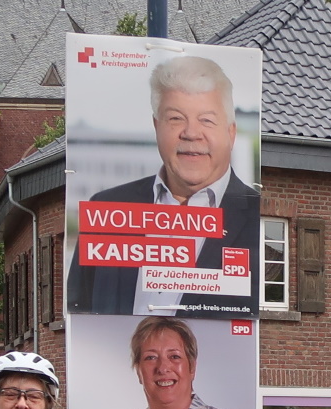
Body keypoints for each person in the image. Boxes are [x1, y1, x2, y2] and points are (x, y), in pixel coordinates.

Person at [67, 55, 260, 318]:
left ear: (231, 133)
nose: (191, 133)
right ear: (156, 127)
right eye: (176, 119)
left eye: (207, 120)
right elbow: (80, 314)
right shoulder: (106, 209)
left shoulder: (256, 218)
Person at [94, 316, 244, 409]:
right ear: (138, 371)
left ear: (192, 367)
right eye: (150, 357)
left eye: (174, 356)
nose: (163, 368)